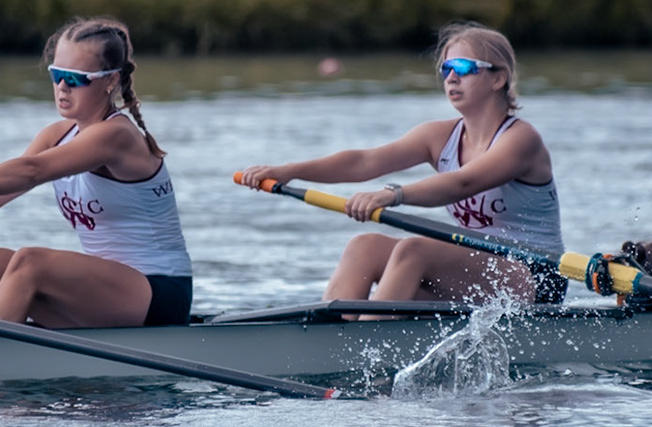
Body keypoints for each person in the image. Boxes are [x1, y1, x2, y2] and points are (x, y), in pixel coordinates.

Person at [0, 16, 193, 328]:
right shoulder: (56, 135)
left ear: (110, 80)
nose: (62, 87)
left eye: (75, 78)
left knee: (31, 263)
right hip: (105, 293)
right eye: (56, 75)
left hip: (159, 293)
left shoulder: (117, 136)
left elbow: (31, 171)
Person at [238, 22, 563, 306]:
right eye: (445, 69)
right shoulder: (437, 136)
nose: (451, 78)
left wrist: (393, 195)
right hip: (476, 269)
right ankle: (332, 338)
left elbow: (463, 183)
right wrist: (288, 171)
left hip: (535, 275)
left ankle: (369, 344)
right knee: (364, 247)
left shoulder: (521, 140)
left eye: (463, 68)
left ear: (498, 79)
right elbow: (365, 161)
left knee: (415, 250)